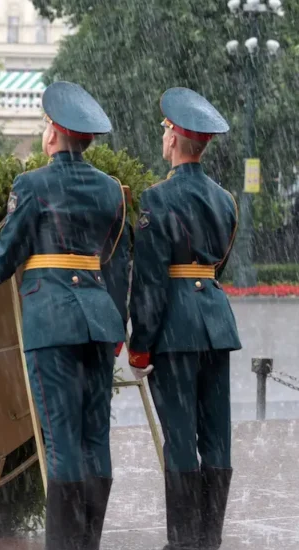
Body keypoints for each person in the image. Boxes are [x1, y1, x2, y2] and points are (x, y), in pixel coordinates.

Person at [0, 82, 127, 549]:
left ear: (54, 133)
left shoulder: (32, 184)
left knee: (59, 437)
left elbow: (7, 253)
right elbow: (116, 258)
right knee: (95, 435)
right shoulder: (110, 190)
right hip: (98, 320)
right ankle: (87, 541)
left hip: (52, 318)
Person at [127, 87, 241, 550]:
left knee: (180, 439)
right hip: (216, 324)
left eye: (164, 130)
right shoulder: (226, 200)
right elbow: (218, 267)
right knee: (216, 437)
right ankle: (207, 540)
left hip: (175, 329)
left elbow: (151, 282)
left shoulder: (155, 200)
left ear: (174, 139)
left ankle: (181, 543)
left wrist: (140, 346)